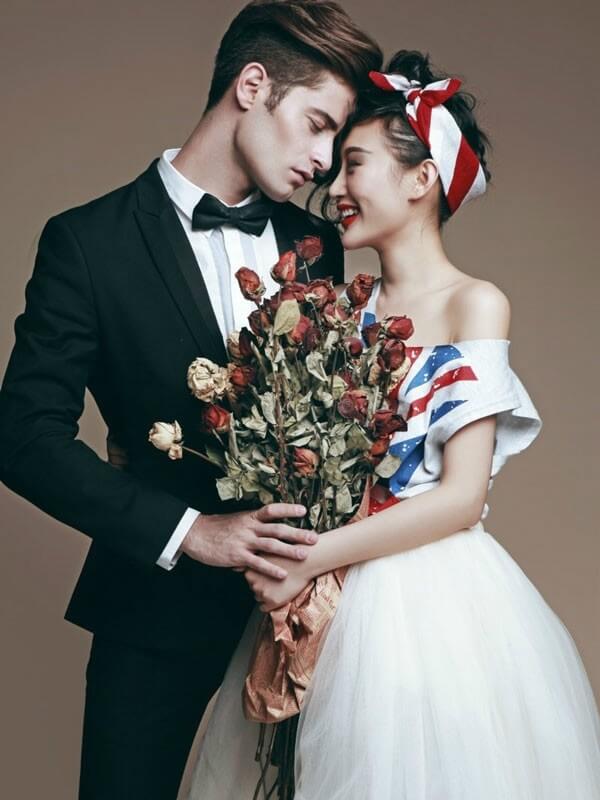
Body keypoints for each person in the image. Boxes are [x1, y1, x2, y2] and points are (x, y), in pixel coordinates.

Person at [187, 50, 600, 798]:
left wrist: (312, 557)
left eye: (355, 165)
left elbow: (461, 498)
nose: (334, 187)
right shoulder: (340, 307)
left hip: (423, 605)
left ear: (421, 179)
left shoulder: (476, 303)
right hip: (322, 588)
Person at [0, 2, 382, 798]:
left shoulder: (320, 246)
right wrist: (192, 532)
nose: (324, 162)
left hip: (311, 612)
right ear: (253, 85)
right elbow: (24, 437)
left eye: (336, 140)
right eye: (316, 126)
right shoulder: (88, 242)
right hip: (156, 607)